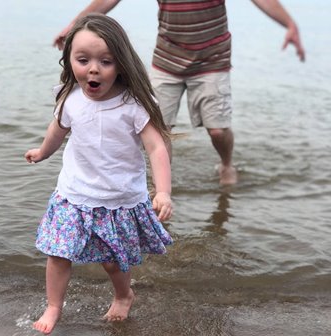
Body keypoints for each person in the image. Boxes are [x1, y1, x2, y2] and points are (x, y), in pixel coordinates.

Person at [25, 13, 173, 335]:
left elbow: (157, 149)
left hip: (119, 198)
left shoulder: (133, 104)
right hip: (74, 193)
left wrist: (162, 191)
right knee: (58, 252)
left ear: (121, 64)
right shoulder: (70, 99)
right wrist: (43, 151)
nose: (93, 69)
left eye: (105, 61)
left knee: (112, 260)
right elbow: (57, 131)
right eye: (83, 60)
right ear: (70, 61)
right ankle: (54, 306)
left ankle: (123, 295)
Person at [53, 0, 305, 187]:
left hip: (212, 60)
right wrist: (74, 24)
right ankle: (163, 189)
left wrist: (290, 24)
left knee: (217, 129)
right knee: (159, 127)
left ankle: (226, 164)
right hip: (167, 59)